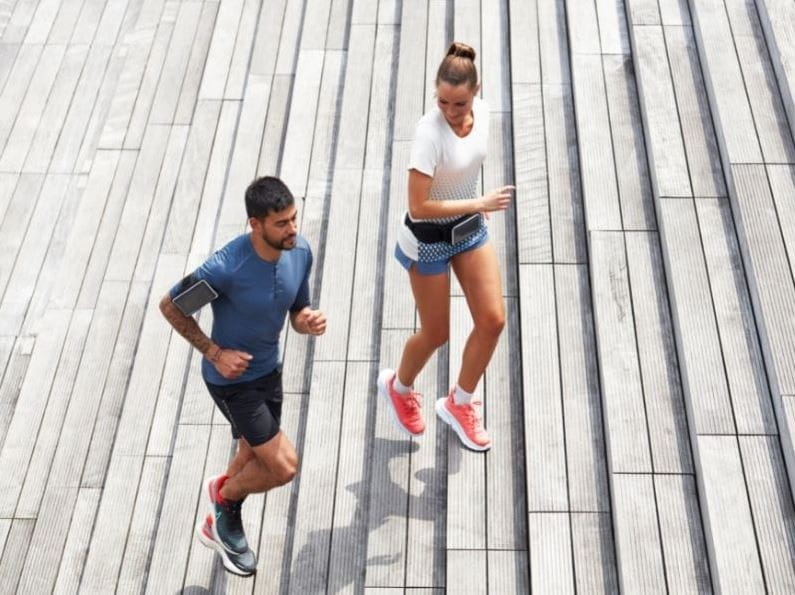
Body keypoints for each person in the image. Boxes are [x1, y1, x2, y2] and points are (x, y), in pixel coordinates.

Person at [159, 176, 326, 576]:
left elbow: (297, 310)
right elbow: (171, 306)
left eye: (294, 218)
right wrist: (215, 353)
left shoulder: (299, 251)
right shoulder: (226, 268)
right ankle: (225, 502)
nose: (292, 229)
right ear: (255, 224)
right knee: (283, 466)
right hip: (232, 384)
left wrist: (306, 321)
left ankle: (217, 514)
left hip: (270, 370)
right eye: (281, 223)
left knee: (251, 455)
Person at [377, 42, 513, 452]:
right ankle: (399, 387)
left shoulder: (483, 113)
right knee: (437, 333)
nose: (451, 111)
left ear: (476, 93)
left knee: (492, 320)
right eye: (442, 101)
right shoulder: (428, 134)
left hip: (468, 229)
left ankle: (460, 403)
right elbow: (418, 207)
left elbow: (464, 167)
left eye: (459, 103)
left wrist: (473, 206)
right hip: (428, 240)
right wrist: (478, 203)